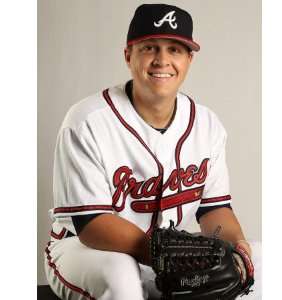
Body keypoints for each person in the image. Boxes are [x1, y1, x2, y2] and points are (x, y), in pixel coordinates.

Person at [44, 3, 261, 300]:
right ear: (128, 55)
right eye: (150, 48)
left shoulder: (207, 123)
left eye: (175, 49)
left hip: (167, 254)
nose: (162, 60)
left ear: (189, 59)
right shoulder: (87, 121)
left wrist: (237, 249)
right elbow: (91, 223)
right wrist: (163, 255)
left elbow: (213, 209)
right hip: (86, 250)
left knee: (260, 260)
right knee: (121, 276)